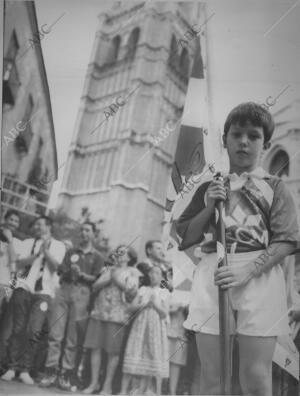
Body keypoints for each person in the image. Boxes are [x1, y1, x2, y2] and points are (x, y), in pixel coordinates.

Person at [176, 102, 300, 395]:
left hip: (259, 276)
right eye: (237, 134)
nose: (244, 141)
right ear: (225, 140)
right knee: (213, 378)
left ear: (265, 143)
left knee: (255, 378)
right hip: (213, 274)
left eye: (254, 136)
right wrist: (208, 208)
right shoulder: (209, 185)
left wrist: (246, 272)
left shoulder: (276, 187)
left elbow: (286, 241)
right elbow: (186, 236)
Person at [39, 221, 104, 391]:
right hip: (64, 289)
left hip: (82, 293)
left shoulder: (97, 256)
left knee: (72, 338)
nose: (84, 233)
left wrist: (81, 274)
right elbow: (60, 270)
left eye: (88, 230)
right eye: (82, 230)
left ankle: (65, 374)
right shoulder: (71, 251)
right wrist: (70, 271)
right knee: (56, 333)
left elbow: (97, 280)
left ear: (93, 234)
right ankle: (50, 371)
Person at [1, 215, 66, 385]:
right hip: (24, 287)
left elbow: (55, 268)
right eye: (35, 224)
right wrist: (37, 254)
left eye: (40, 224)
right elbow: (18, 263)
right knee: (18, 329)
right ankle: (12, 367)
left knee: (34, 331)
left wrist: (46, 251)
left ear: (49, 226)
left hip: (44, 292)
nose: (36, 227)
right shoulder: (27, 242)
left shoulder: (59, 246)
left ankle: (25, 369)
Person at [83, 244, 140, 395]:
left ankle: (106, 386)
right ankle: (94, 383)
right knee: (95, 347)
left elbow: (132, 293)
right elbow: (95, 286)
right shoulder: (107, 269)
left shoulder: (133, 272)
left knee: (113, 352)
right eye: (118, 252)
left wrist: (116, 278)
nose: (119, 255)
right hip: (100, 312)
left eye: (123, 253)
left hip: (118, 315)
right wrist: (109, 277)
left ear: (129, 257)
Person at [121, 266, 170, 395]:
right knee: (135, 352)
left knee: (154, 355)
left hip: (156, 328)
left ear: (161, 277)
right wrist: (144, 304)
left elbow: (165, 313)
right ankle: (125, 390)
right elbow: (131, 308)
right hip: (141, 326)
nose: (154, 275)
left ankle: (153, 391)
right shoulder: (143, 290)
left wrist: (155, 304)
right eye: (152, 272)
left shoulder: (163, 292)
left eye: (157, 273)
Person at [0, 210, 21, 371]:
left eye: (16, 221)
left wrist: (10, 240)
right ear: (4, 220)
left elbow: (15, 265)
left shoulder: (17, 242)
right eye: (11, 219)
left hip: (5, 286)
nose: (13, 223)